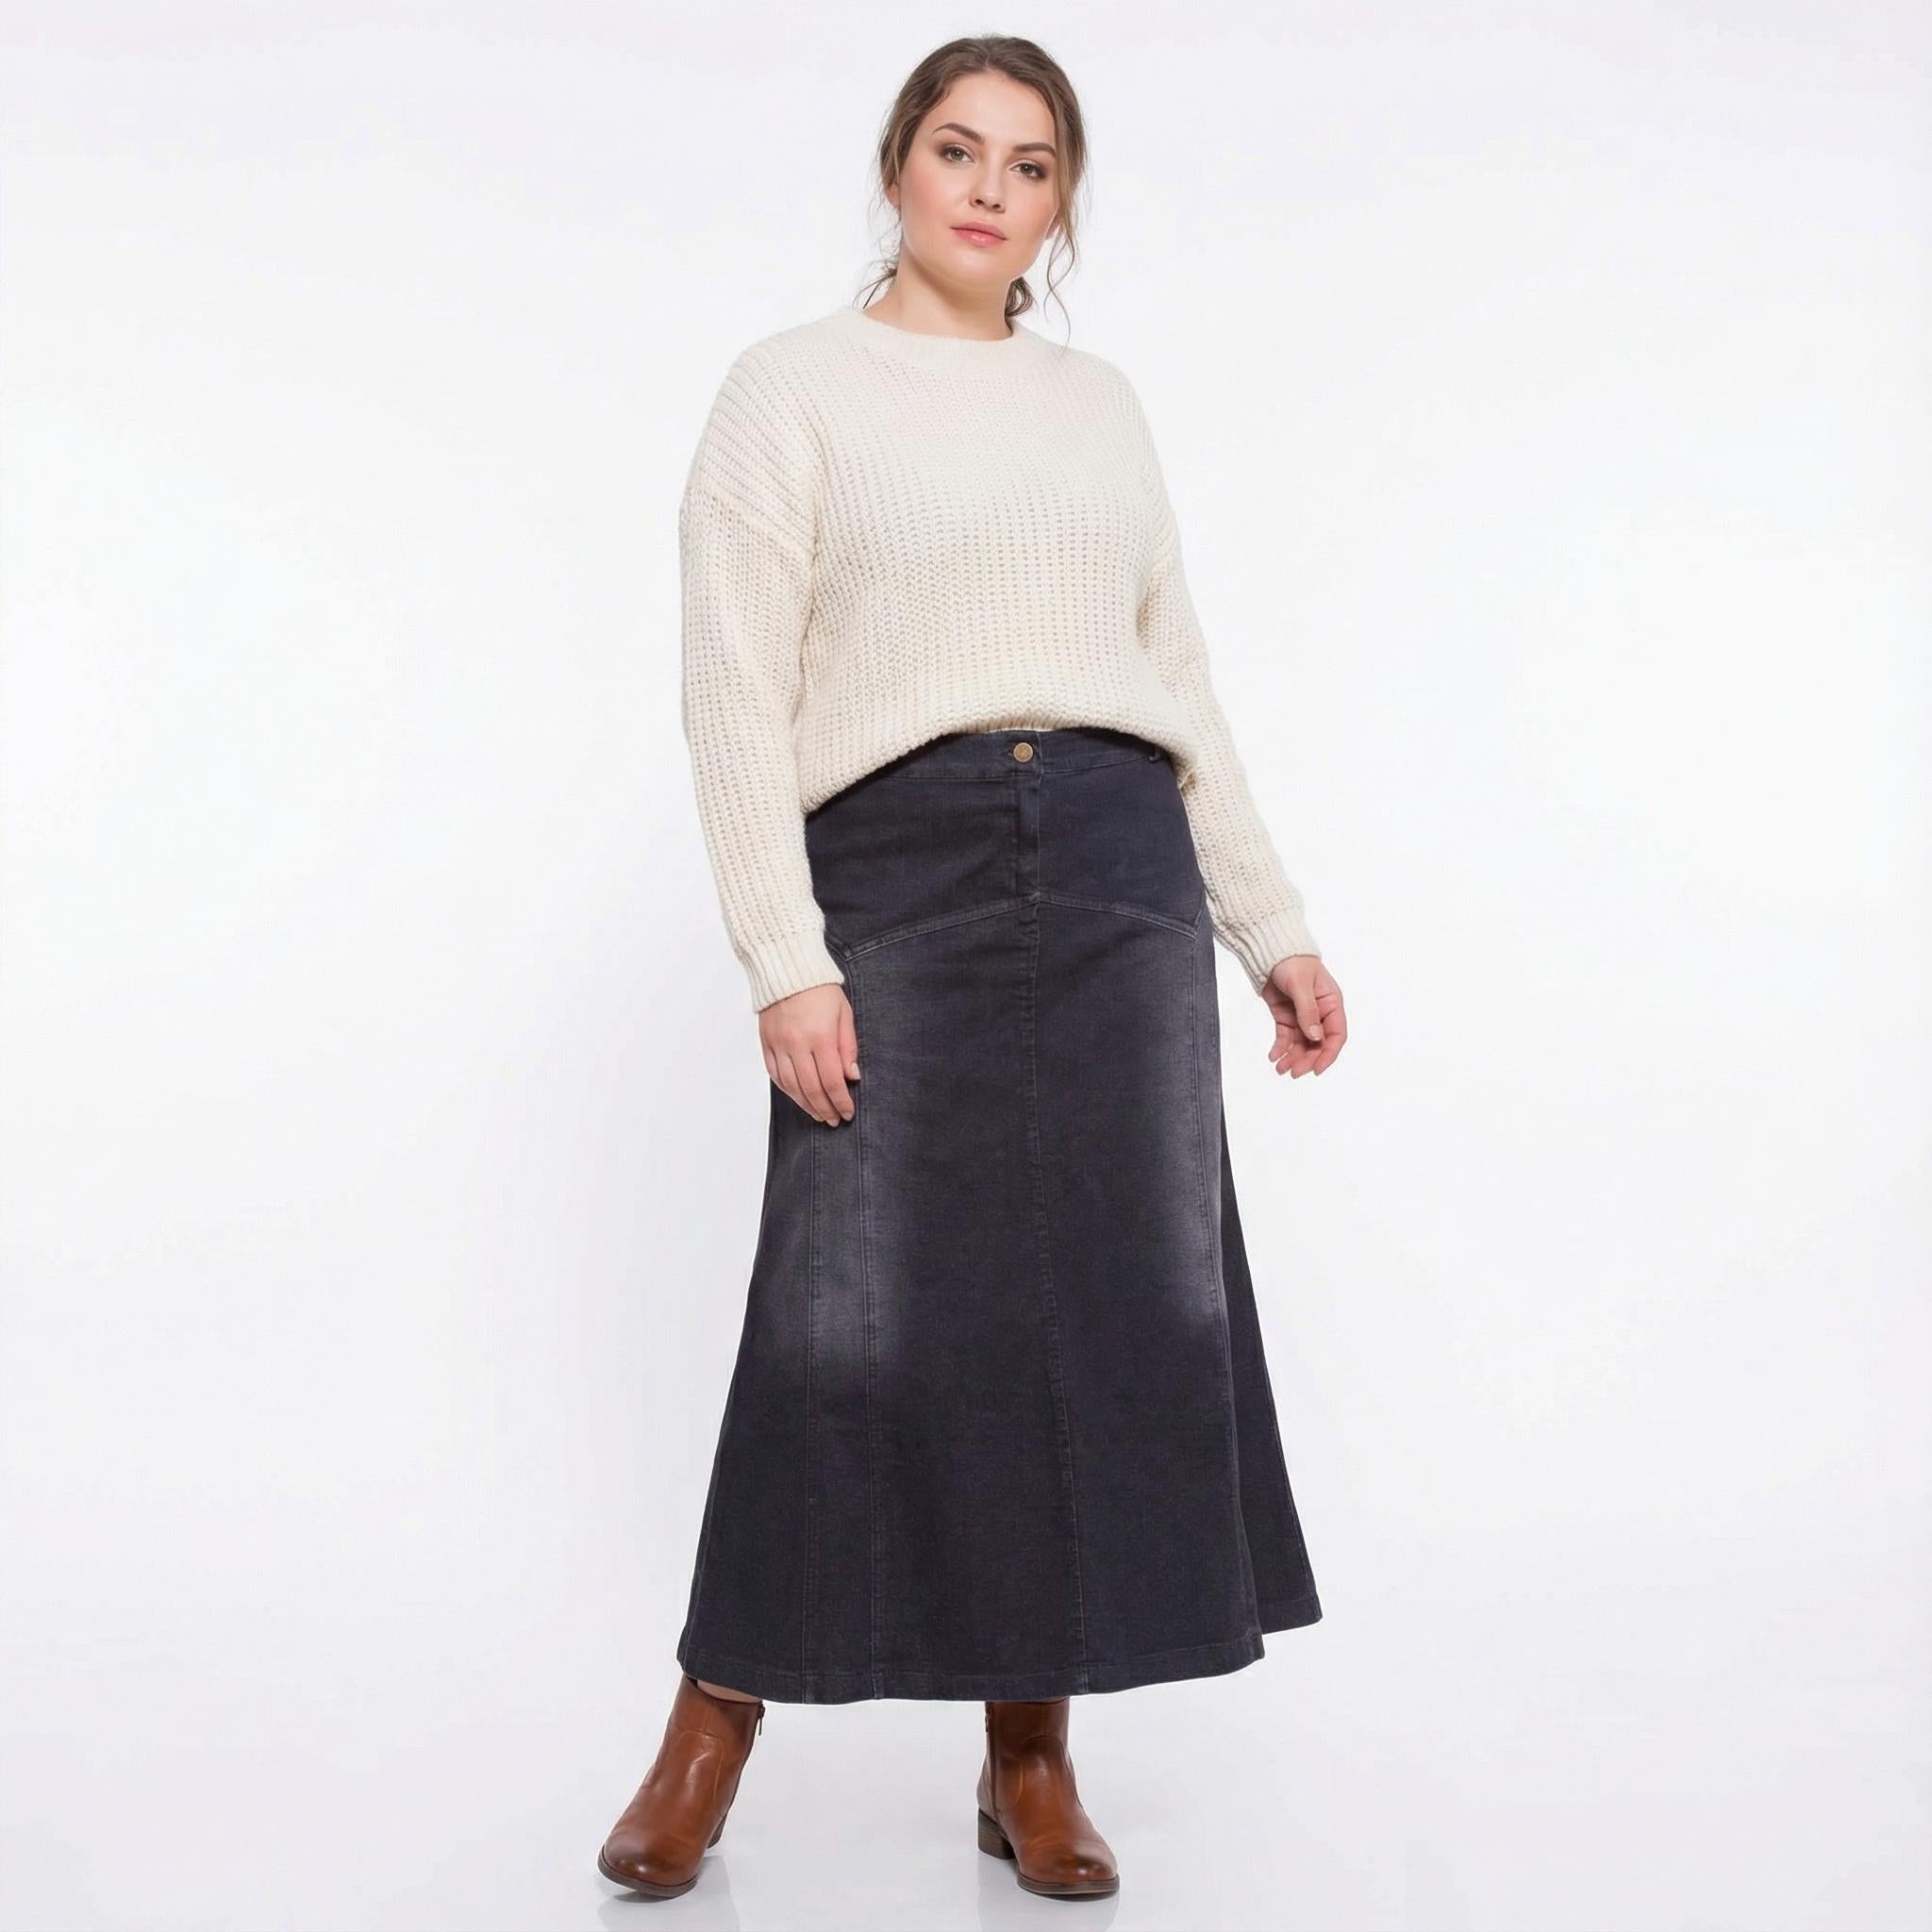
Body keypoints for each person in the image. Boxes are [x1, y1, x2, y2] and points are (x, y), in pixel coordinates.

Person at [599, 35, 1348, 1904]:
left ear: (1061, 202)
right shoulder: (789, 390)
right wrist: (784, 953)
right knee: (837, 1314)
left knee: (1098, 1314)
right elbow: (730, 690)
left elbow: (1178, 679)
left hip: (1114, 866)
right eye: (958, 149)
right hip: (900, 866)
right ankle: (711, 1726)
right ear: (898, 167)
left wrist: (1272, 926)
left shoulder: (1102, 408)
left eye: (1029, 163)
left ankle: (1031, 1755)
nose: (990, 188)